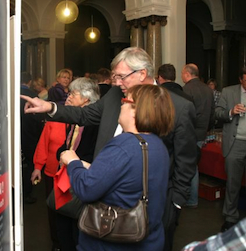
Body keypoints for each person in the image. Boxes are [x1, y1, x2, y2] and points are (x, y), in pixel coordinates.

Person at [21, 47, 197, 251]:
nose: (117, 83)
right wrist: (50, 107)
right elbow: (85, 115)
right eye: (115, 77)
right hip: (104, 204)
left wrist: (175, 204)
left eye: (122, 77)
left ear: (142, 73)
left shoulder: (179, 107)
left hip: (152, 206)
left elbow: (186, 160)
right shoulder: (115, 95)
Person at [60, 84, 174, 250]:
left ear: (136, 110)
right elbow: (129, 180)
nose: (121, 105)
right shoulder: (157, 145)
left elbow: (85, 189)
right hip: (149, 241)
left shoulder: (123, 145)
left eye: (125, 101)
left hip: (111, 244)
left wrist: (73, 162)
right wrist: (91, 167)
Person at [31, 77, 99, 251]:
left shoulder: (95, 125)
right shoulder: (72, 120)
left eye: (73, 94)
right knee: (61, 223)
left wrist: (74, 161)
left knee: (78, 228)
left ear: (86, 99)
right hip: (64, 179)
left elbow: (93, 154)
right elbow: (66, 144)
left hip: (81, 181)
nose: (68, 97)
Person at [215, 67, 246, 232]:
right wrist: (231, 111)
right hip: (235, 144)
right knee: (233, 183)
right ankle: (230, 217)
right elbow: (217, 113)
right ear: (241, 79)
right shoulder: (228, 92)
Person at [181, 64, 214, 208]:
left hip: (189, 133)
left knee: (188, 167)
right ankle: (192, 198)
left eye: (182, 73)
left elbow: (185, 114)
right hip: (202, 133)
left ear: (187, 74)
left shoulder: (187, 89)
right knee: (194, 165)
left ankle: (191, 199)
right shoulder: (207, 89)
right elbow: (212, 113)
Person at [20, 72, 44, 204]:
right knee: (29, 165)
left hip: (14, 135)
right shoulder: (33, 96)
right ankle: (26, 194)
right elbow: (38, 119)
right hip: (30, 135)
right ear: (29, 82)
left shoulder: (10, 92)